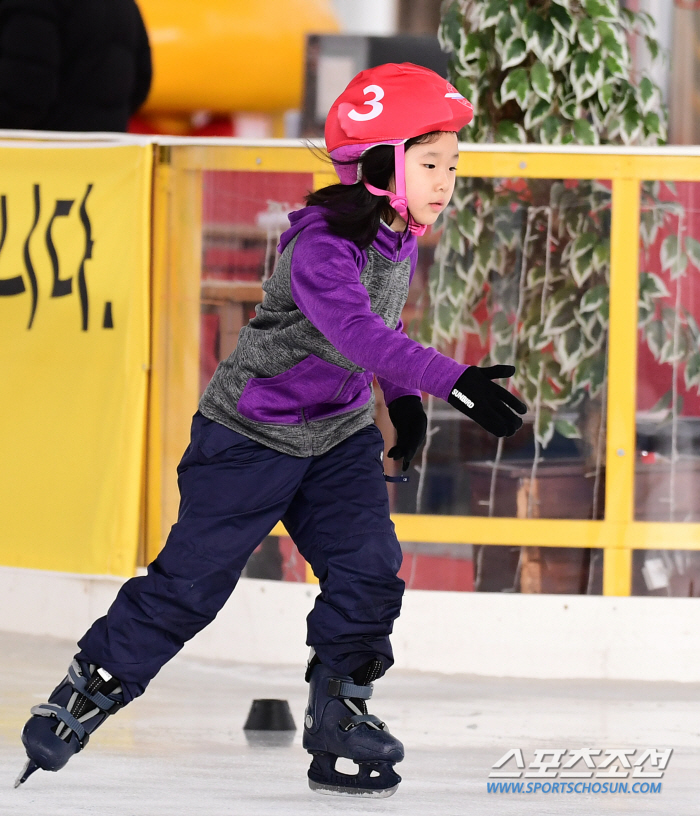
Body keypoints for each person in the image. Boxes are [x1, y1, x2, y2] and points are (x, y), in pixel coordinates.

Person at [16, 62, 526, 798]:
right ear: (383, 165)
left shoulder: (396, 233)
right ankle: (86, 690)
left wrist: (402, 403)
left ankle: (339, 715)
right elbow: (354, 328)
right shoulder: (320, 242)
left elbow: (381, 328)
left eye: (452, 164)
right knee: (190, 586)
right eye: (430, 163)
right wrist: (449, 381)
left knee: (369, 568)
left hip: (338, 436)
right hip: (249, 437)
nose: (446, 180)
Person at [0, 0, 151, 132]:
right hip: (110, 152)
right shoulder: (125, 4)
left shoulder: (33, 5)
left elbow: (24, 95)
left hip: (45, 154)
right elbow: (141, 81)